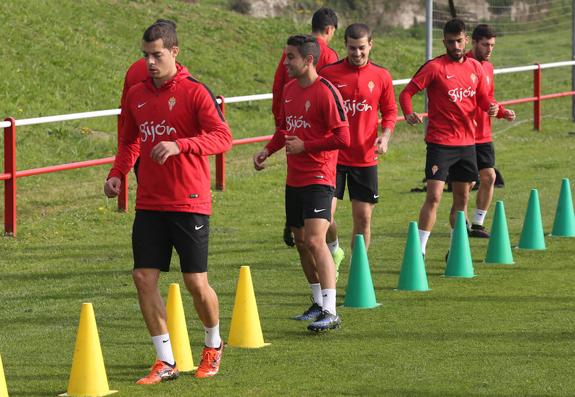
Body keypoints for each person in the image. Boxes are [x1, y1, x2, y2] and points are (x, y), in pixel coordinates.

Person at [104, 20, 232, 384]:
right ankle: (166, 361)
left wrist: (181, 144)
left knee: (196, 283)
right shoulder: (136, 94)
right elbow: (129, 140)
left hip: (189, 201)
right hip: (149, 202)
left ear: (174, 52)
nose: (149, 62)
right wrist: (117, 174)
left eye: (156, 54)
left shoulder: (194, 92)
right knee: (143, 276)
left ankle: (212, 344)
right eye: (145, 55)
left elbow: (223, 138)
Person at [254, 35, 350, 331]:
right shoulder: (288, 90)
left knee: (314, 240)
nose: (285, 63)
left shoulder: (326, 92)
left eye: (291, 57)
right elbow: (285, 130)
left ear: (309, 60)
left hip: (320, 177)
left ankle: (332, 311)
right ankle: (318, 303)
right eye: (286, 57)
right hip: (293, 179)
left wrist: (306, 146)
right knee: (300, 243)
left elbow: (343, 138)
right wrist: (267, 150)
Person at [399, 18, 495, 258]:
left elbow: (483, 99)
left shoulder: (474, 67)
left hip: (467, 144)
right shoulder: (434, 67)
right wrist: (408, 112)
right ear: (444, 42)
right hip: (440, 144)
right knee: (434, 196)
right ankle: (418, 251)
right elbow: (407, 92)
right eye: (450, 42)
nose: (455, 46)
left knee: (462, 199)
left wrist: (494, 108)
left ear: (465, 40)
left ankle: (455, 250)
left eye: (459, 41)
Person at [320, 23, 397, 275]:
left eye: (361, 48)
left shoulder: (381, 76)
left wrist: (385, 136)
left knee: (363, 219)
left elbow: (390, 112)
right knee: (323, 217)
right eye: (352, 48)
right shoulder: (329, 74)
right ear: (345, 45)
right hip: (333, 158)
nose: (357, 53)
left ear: (370, 44)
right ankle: (334, 249)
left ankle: (357, 272)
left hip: (365, 159)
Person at [272, 7, 339, 248]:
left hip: (314, 142)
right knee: (323, 212)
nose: (288, 62)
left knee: (316, 223)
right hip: (314, 142)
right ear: (330, 30)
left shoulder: (295, 53)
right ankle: (332, 249)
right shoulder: (325, 54)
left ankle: (329, 250)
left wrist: (280, 120)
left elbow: (277, 85)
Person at [459, 24, 516, 238]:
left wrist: (501, 112)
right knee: (465, 184)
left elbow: (488, 99)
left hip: (483, 134)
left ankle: (477, 224)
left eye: (492, 45)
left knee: (489, 176)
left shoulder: (489, 68)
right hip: (464, 134)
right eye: (485, 44)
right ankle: (461, 227)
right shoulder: (462, 65)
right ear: (473, 42)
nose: (489, 49)